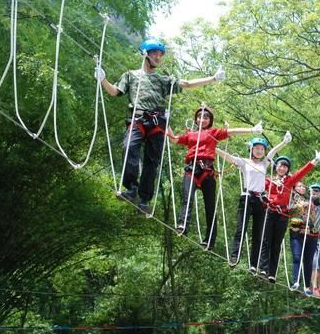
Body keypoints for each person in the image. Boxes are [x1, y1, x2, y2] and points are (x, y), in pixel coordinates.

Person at [95, 38, 224, 213]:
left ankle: (144, 199)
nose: (158, 57)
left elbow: (186, 84)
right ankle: (131, 188)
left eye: (160, 54)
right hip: (138, 118)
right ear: (145, 54)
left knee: (152, 162)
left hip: (156, 122)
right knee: (129, 147)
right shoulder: (131, 75)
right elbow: (114, 92)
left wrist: (213, 79)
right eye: (155, 53)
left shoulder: (163, 80)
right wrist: (103, 80)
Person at [170, 106, 261, 250]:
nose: (202, 119)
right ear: (196, 119)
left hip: (207, 171)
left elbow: (232, 131)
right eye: (200, 117)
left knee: (210, 207)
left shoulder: (213, 133)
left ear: (210, 120)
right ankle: (183, 225)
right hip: (192, 169)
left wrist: (251, 130)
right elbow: (174, 139)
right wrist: (166, 123)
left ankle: (210, 240)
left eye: (206, 117)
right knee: (187, 197)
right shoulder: (190, 134)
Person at [215, 132, 292, 268]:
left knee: (258, 234)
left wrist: (284, 142)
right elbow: (228, 157)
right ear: (251, 149)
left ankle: (254, 264)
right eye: (257, 148)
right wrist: (214, 147)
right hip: (247, 197)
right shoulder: (245, 162)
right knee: (241, 229)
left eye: (262, 149)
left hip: (261, 201)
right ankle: (235, 255)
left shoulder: (265, 163)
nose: (259, 151)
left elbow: (273, 152)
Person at [258, 151, 320, 283]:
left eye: (285, 166)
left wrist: (315, 160)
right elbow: (258, 185)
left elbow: (302, 172)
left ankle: (272, 273)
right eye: (280, 166)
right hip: (270, 212)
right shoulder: (269, 180)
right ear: (276, 167)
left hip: (282, 215)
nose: (282, 168)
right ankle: (263, 268)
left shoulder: (289, 181)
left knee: (276, 244)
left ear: (287, 169)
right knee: (266, 241)